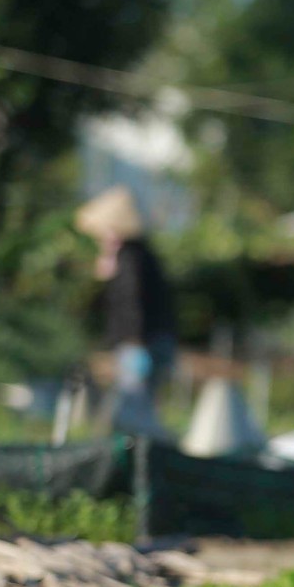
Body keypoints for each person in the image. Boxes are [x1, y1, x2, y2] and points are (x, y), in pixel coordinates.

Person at [73, 186, 177, 436]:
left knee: (134, 412)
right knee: (140, 407)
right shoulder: (140, 255)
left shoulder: (130, 259)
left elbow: (132, 302)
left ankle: (150, 457)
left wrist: (134, 341)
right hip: (152, 339)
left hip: (140, 342)